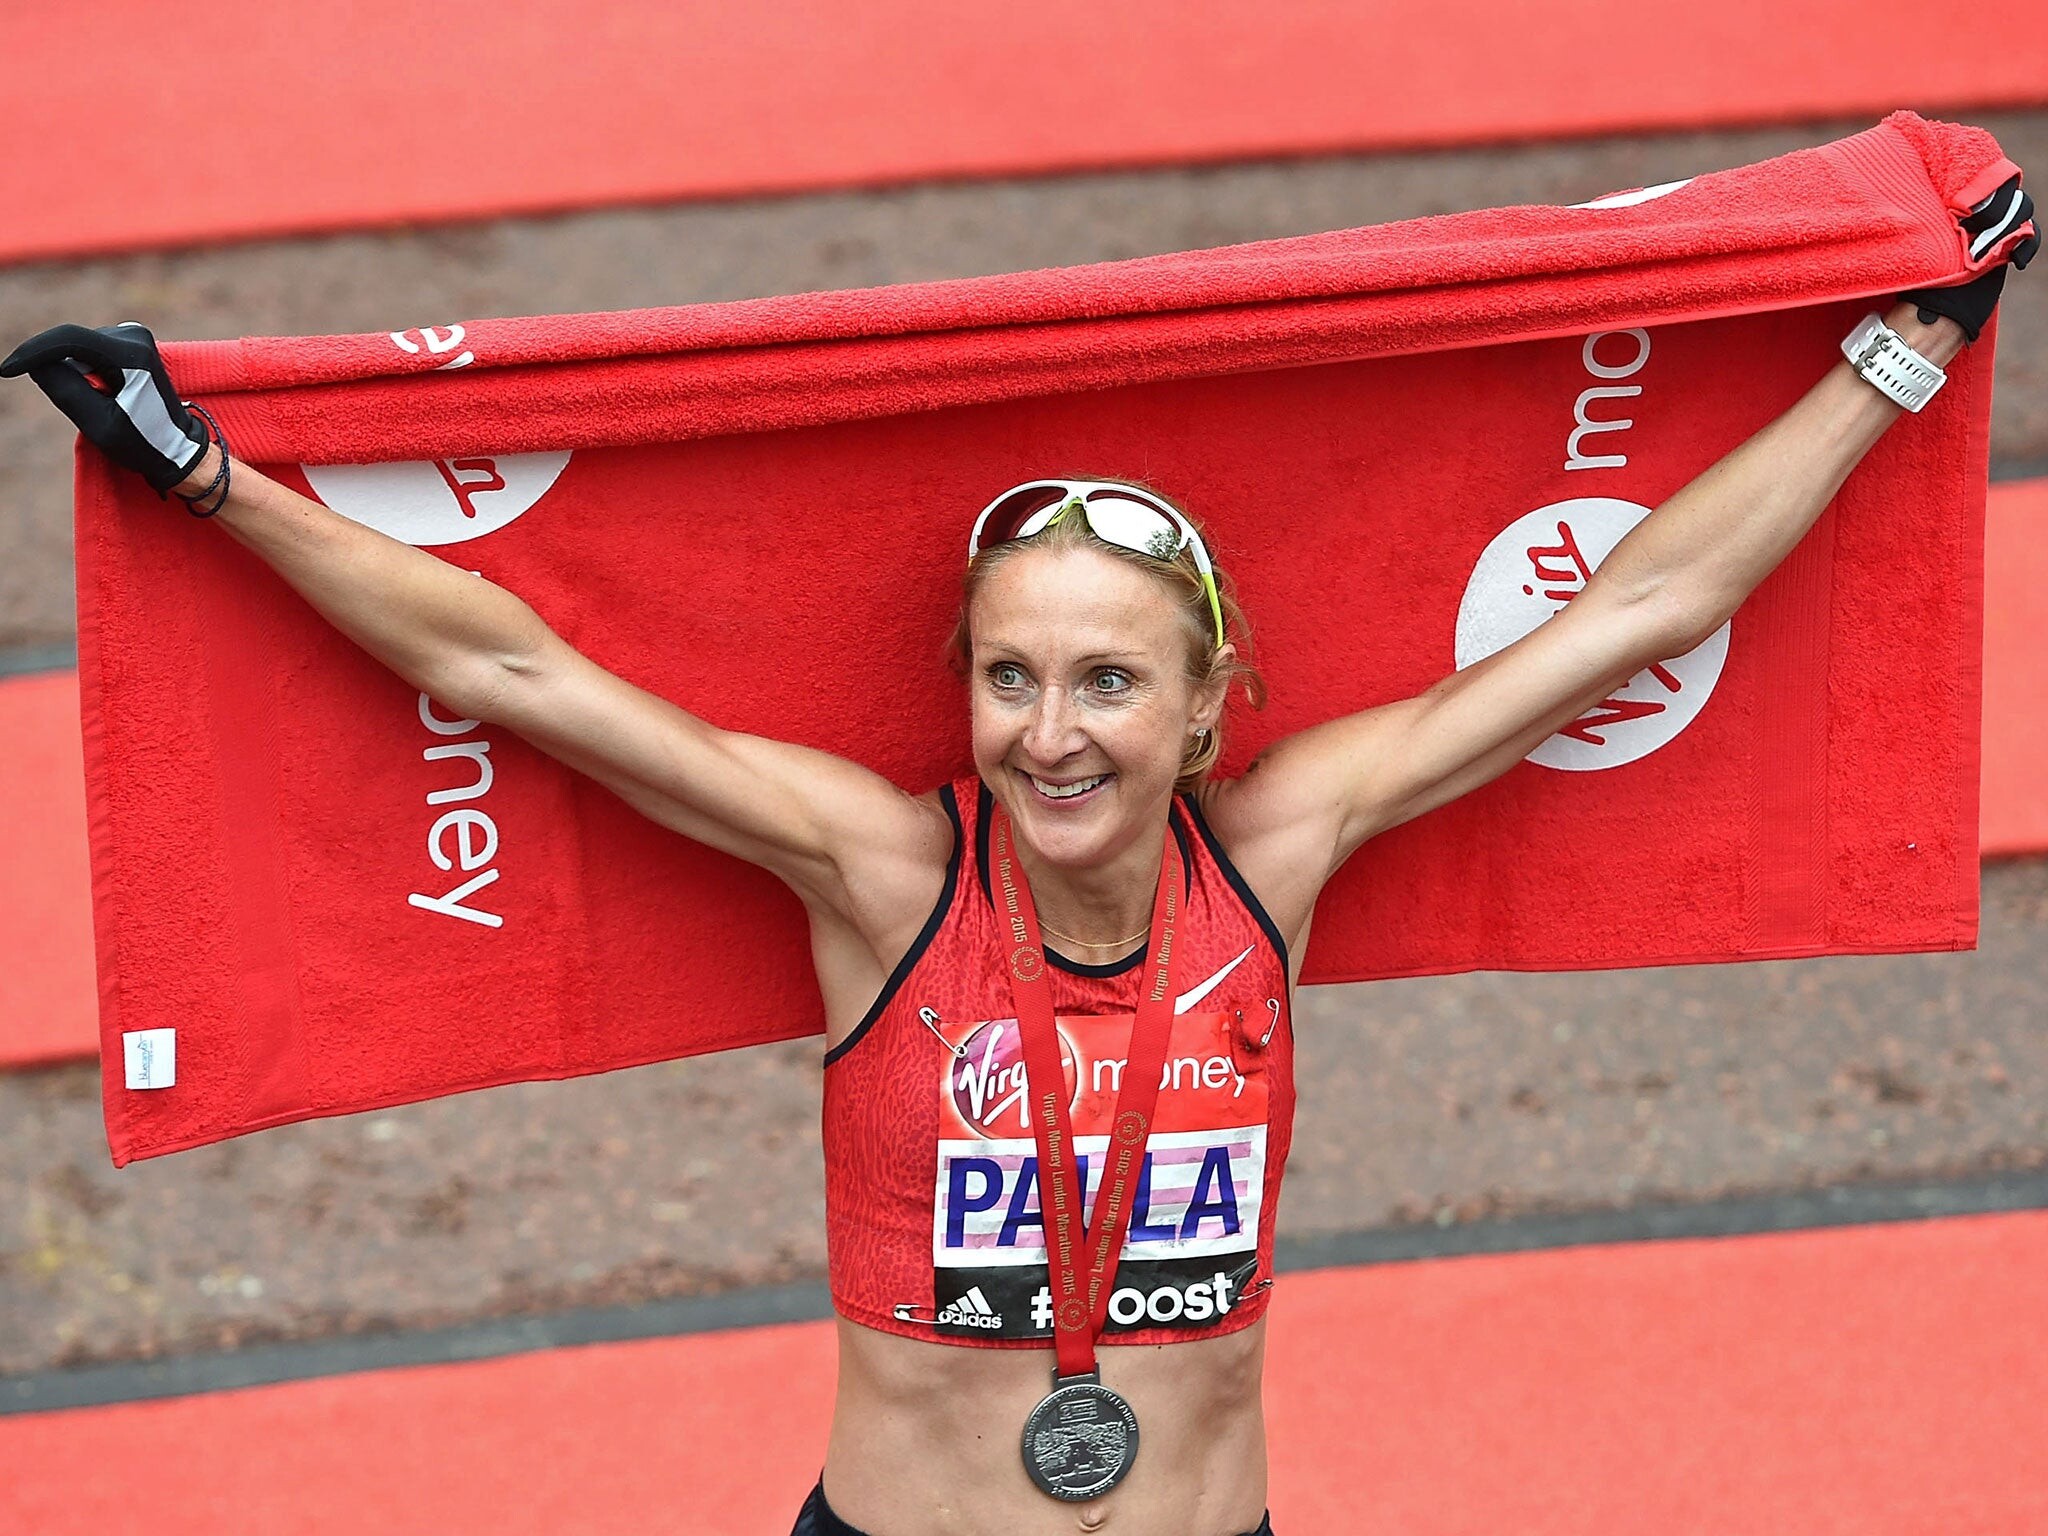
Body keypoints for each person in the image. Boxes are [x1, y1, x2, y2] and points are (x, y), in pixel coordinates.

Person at [4, 179, 2033, 1536]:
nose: (1049, 733)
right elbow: (513, 668)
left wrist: (1900, 358)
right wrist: (212, 481)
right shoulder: (883, 880)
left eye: (1106, 682)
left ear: (1207, 705)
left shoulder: (1278, 854)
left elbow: (1638, 610)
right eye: (1008, 676)